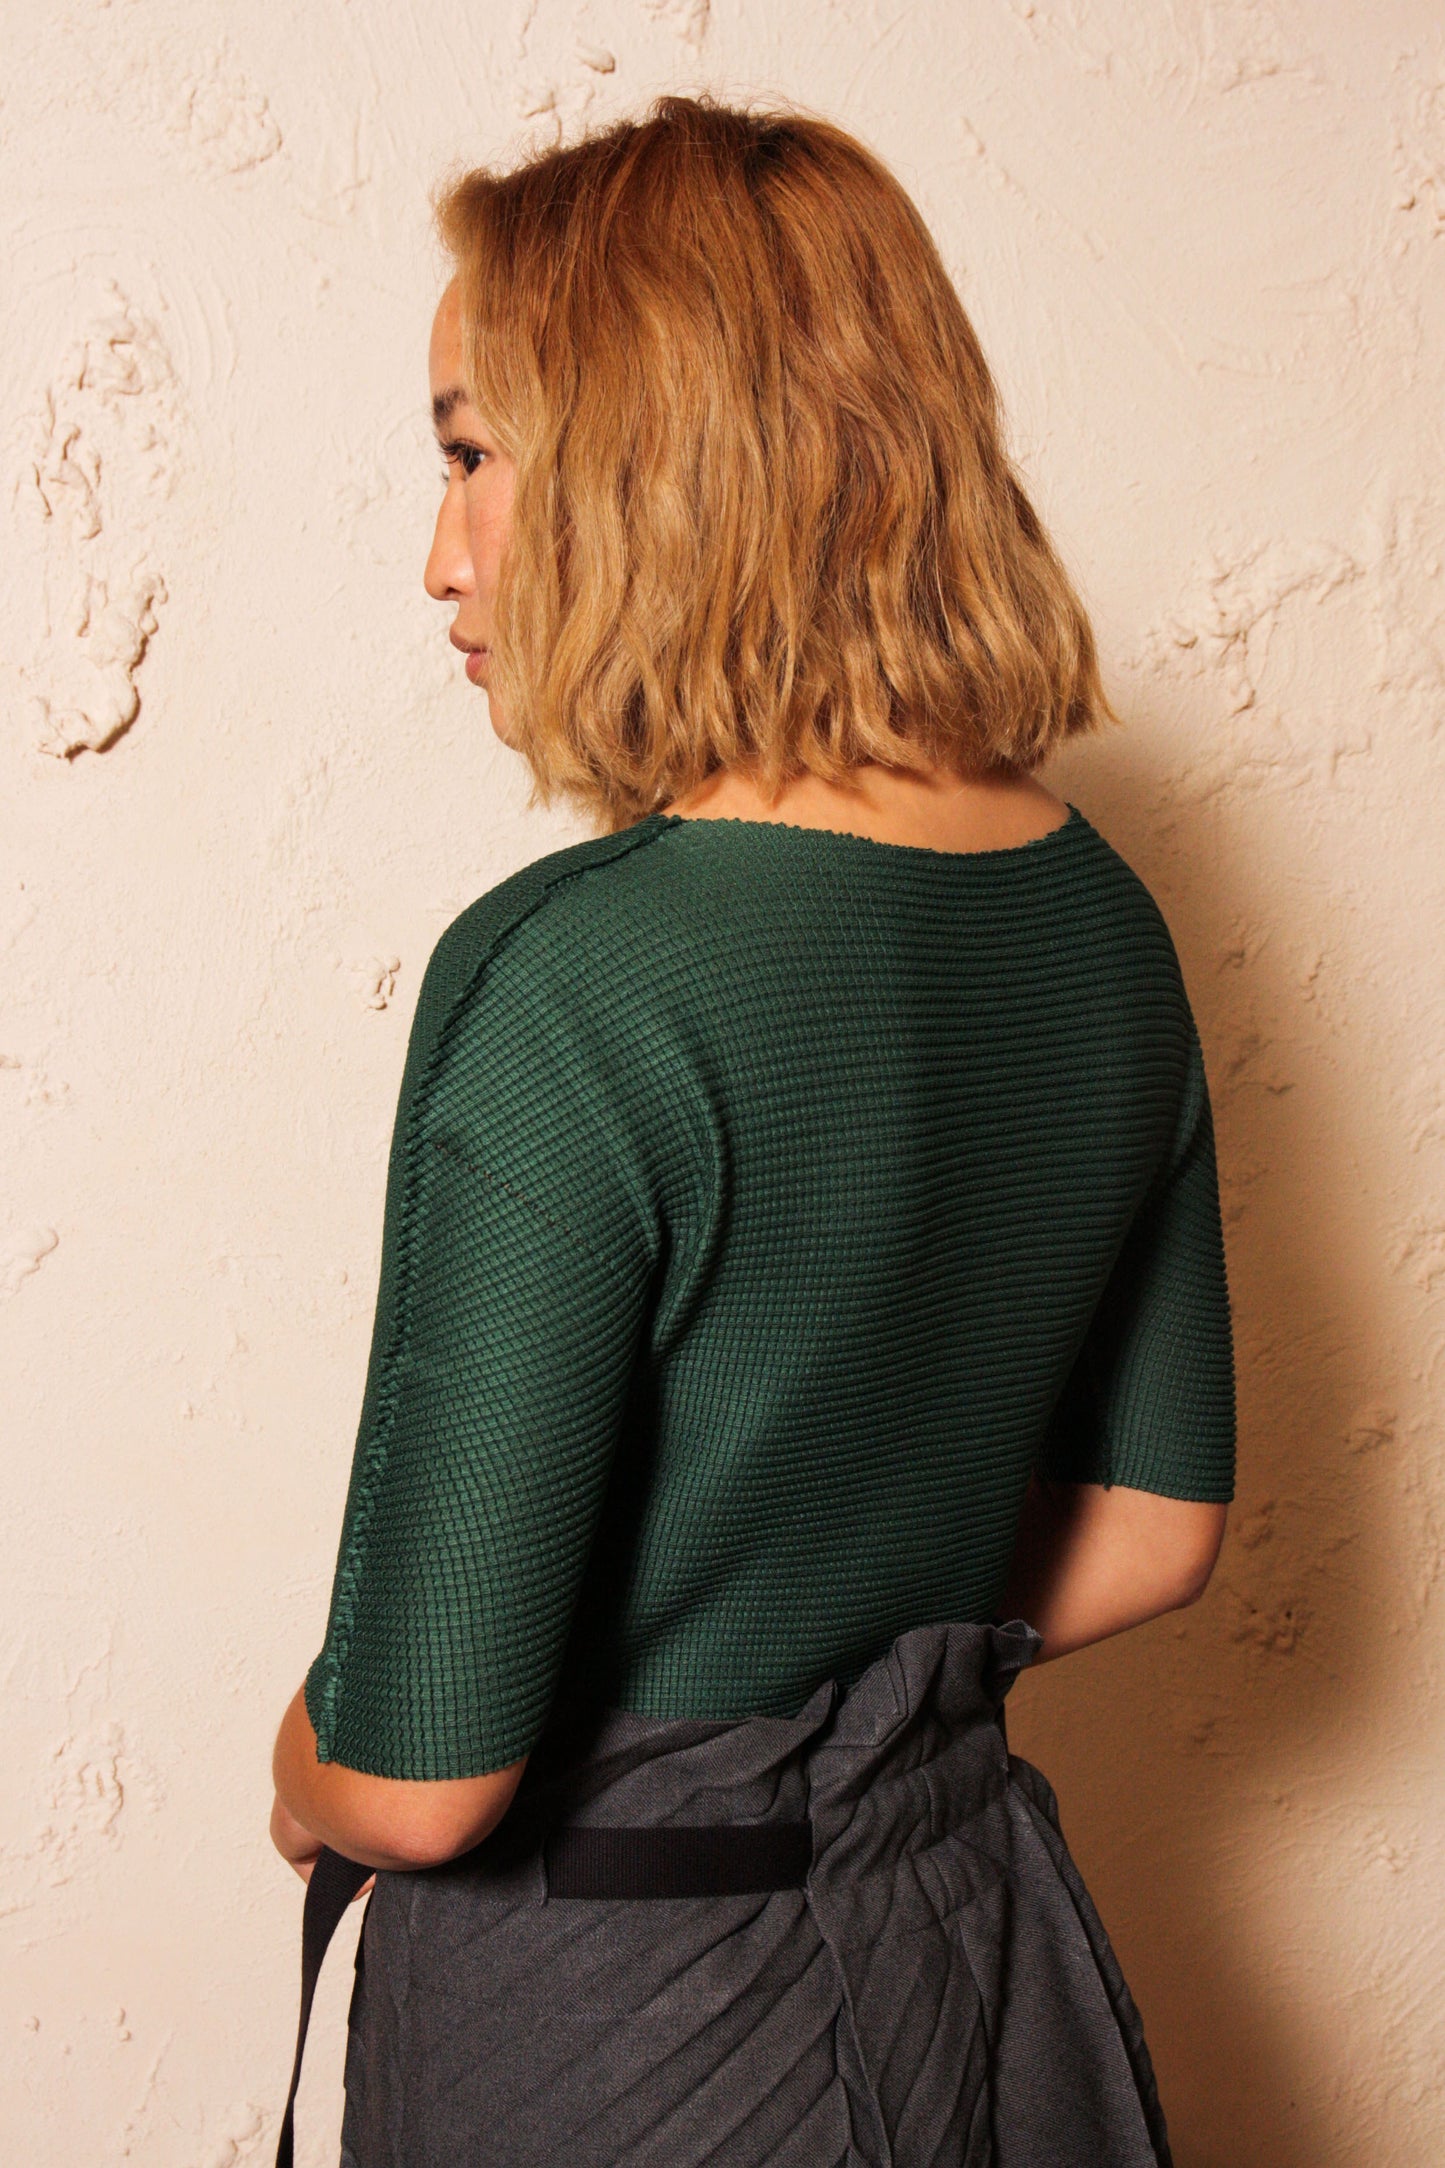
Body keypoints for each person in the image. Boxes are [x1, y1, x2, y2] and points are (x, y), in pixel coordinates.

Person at [268, 93, 1235, 2168]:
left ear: (650, 462)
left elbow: (418, 1776)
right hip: (970, 1951)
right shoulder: (1100, 921)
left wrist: (303, 1760)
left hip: (618, 2022)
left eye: (471, 455)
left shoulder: (572, 973)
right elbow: (1158, 1527)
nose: (441, 554)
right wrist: (842, 1707)